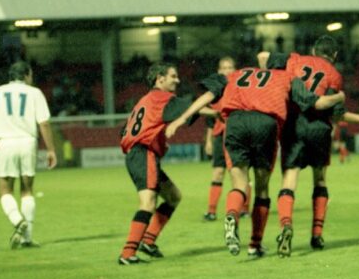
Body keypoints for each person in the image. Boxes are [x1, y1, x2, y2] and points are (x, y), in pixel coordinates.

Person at [167, 65, 345, 257]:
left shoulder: (236, 74)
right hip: (265, 122)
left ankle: (231, 215)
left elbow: (207, 96)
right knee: (261, 188)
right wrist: (339, 97)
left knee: (239, 183)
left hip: (235, 122)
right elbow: (318, 103)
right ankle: (255, 244)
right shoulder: (287, 77)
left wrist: (181, 119)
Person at [260, 35, 359, 257]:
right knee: (320, 180)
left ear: (314, 50)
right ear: (334, 55)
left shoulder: (295, 60)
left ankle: (286, 224)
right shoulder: (334, 75)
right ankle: (316, 234)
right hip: (320, 129)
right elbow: (337, 115)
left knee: (290, 179)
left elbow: (263, 58)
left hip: (293, 125)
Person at [116, 62, 199, 265]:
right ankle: (127, 254)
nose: (177, 80)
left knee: (173, 196)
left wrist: (158, 142)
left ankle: (148, 241)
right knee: (148, 203)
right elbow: (189, 109)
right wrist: (218, 111)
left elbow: (125, 131)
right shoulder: (161, 97)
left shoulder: (145, 100)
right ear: (159, 79)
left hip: (140, 153)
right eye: (173, 76)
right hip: (143, 154)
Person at [0, 61, 57, 249]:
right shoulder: (35, 93)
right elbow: (44, 123)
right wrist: (51, 149)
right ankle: (27, 237)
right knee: (27, 190)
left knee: (5, 191)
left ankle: (16, 219)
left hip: (5, 143)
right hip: (28, 142)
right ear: (27, 75)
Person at [199, 56, 238, 221]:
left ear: (235, 70)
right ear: (219, 71)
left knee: (239, 173)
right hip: (218, 136)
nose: (227, 70)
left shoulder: (240, 88)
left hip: (236, 135)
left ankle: (243, 209)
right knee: (218, 172)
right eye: (224, 68)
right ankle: (212, 211)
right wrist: (208, 141)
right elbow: (210, 120)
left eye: (230, 67)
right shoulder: (213, 92)